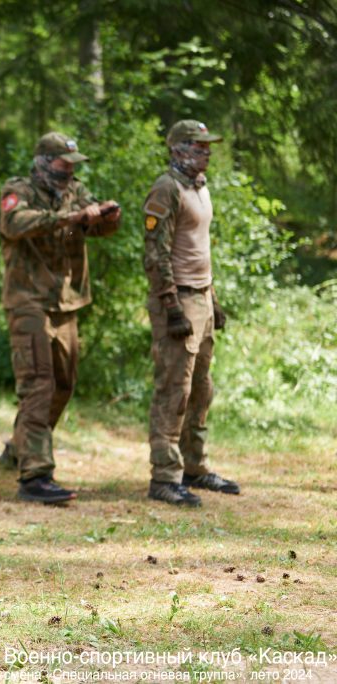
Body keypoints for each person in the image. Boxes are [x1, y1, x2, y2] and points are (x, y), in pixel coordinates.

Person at [0, 132, 121, 504]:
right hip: (28, 300)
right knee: (37, 384)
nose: (69, 171)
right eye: (62, 164)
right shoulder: (18, 189)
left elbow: (95, 225)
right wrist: (72, 217)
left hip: (66, 302)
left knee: (64, 384)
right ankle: (35, 475)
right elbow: (14, 224)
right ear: (43, 162)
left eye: (73, 165)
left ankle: (20, 447)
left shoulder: (75, 191)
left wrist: (105, 217)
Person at [143, 120, 240, 506]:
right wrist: (170, 305)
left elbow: (200, 248)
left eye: (208, 145)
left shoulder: (199, 187)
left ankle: (194, 468)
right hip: (178, 299)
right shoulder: (166, 188)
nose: (207, 152)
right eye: (199, 146)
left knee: (201, 388)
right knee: (174, 388)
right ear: (179, 149)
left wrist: (212, 300)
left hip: (201, 295)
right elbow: (155, 252)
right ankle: (164, 477)